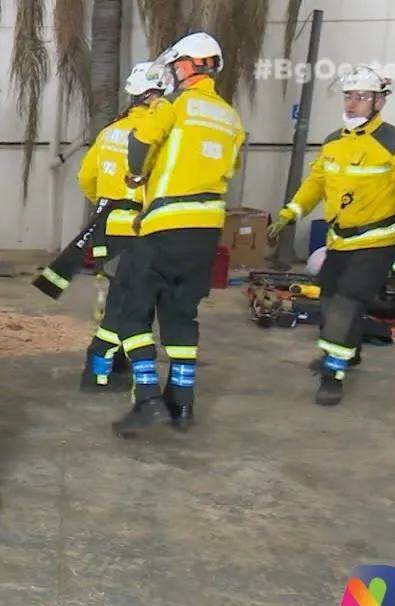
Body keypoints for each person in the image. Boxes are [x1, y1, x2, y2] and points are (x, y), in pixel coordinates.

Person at [266, 64, 395, 406]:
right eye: (348, 96)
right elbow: (315, 184)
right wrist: (289, 213)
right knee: (328, 299)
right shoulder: (333, 142)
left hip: (376, 241)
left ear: (379, 102)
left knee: (345, 304)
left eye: (361, 97)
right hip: (339, 241)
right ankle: (349, 352)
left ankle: (333, 374)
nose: (352, 104)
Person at [111, 32, 245, 436]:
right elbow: (229, 168)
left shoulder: (173, 104)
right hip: (206, 229)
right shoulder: (230, 117)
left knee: (132, 310)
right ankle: (182, 405)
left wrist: (136, 176)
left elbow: (140, 139)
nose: (170, 74)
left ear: (187, 66)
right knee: (181, 314)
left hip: (165, 223)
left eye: (173, 67)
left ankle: (148, 397)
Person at [77, 60, 167, 392]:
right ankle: (103, 367)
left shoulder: (109, 132)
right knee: (133, 303)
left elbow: (85, 176)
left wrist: (103, 200)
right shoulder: (157, 136)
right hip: (140, 229)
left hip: (106, 227)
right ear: (155, 96)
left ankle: (106, 367)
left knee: (111, 296)